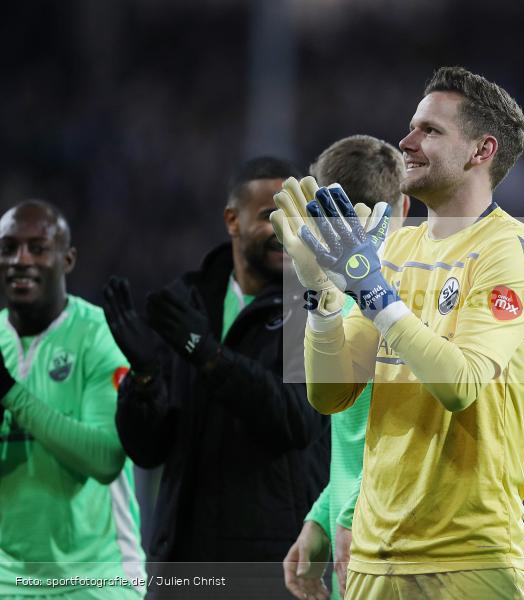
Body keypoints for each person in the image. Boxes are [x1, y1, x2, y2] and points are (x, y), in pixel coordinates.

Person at [273, 66, 524, 599]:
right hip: (371, 561)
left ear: (481, 151)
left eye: (430, 130)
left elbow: (460, 382)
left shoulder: (516, 252)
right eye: (411, 127)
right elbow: (331, 394)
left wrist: (373, 291)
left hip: (467, 558)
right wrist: (321, 296)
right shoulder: (395, 251)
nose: (406, 142)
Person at [103, 157, 329, 590]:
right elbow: (147, 450)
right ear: (232, 220)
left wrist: (205, 353)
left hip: (272, 571)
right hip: (182, 567)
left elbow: (297, 419)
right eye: (270, 216)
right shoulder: (185, 304)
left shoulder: (320, 307)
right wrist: (144, 380)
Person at [281, 135, 410, 600]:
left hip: (380, 539)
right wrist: (321, 515)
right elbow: (357, 438)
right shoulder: (337, 294)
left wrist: (352, 513)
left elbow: (402, 435)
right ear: (404, 207)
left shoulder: (394, 300)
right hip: (350, 531)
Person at [0, 201, 145, 599]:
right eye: (8, 248)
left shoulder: (99, 336)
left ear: (67, 259)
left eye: (37, 248)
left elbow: (104, 459)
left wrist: (9, 392)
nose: (20, 260)